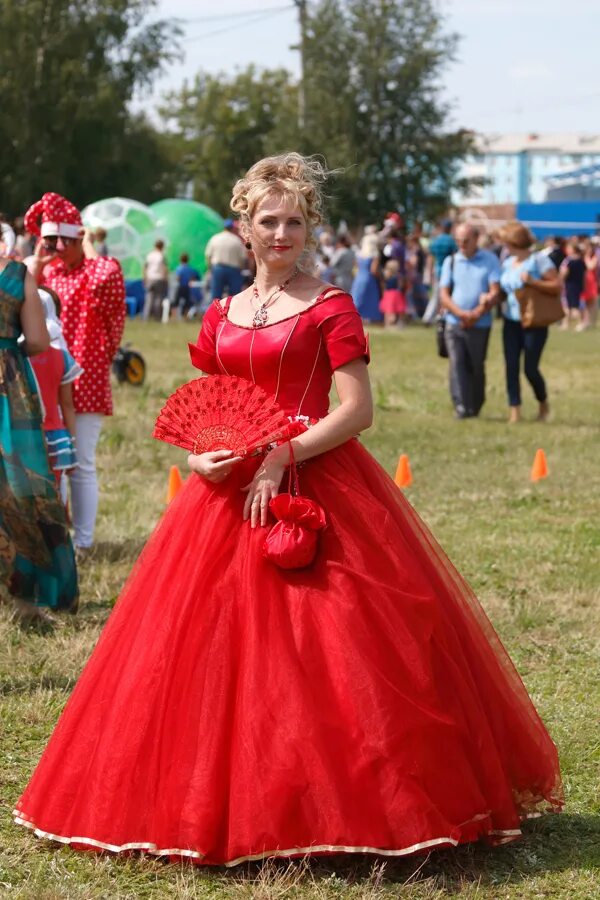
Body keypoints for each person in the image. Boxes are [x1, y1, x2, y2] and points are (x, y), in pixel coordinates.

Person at [14, 153, 562, 865]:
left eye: (294, 222)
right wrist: (195, 458)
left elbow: (357, 410)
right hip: (222, 501)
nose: (281, 234)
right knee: (203, 660)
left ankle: (345, 805)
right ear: (243, 227)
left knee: (337, 657)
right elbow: (205, 408)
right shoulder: (221, 313)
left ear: (310, 227)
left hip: (318, 484)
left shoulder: (329, 305)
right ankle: (214, 802)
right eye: (267, 221)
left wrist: (284, 453)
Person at [24, 192, 126, 555]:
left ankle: (82, 542)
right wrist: (38, 259)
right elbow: (21, 298)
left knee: (80, 464)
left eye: (65, 240)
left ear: (79, 238)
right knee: (55, 460)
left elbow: (107, 276)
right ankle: (60, 537)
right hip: (48, 382)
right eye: (51, 240)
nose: (58, 248)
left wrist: (83, 240)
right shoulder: (48, 271)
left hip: (87, 381)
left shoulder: (96, 271)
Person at [0, 255, 78, 622]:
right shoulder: (16, 275)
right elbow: (36, 340)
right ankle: (27, 600)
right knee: (20, 484)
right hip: (7, 385)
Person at [498, 220, 560, 424]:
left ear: (514, 242)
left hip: (534, 322)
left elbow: (557, 286)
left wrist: (533, 281)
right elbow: (503, 291)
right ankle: (514, 409)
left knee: (530, 368)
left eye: (506, 241)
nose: (503, 245)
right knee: (511, 366)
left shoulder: (539, 261)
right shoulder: (507, 263)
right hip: (511, 322)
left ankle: (543, 402)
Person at [439, 224, 501, 419]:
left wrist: (476, 313)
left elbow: (495, 291)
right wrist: (460, 314)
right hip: (453, 322)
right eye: (458, 241)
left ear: (476, 238)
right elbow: (444, 294)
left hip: (480, 324)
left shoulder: (489, 260)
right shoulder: (451, 261)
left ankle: (475, 404)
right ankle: (461, 406)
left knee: (476, 365)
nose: (462, 245)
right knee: (456, 364)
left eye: (466, 240)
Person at [29, 289, 82, 494]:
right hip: (56, 438)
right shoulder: (62, 358)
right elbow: (67, 405)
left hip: (23, 435)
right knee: (56, 499)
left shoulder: (14, 358)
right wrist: (73, 445)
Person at [423, 220, 457, 324]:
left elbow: (430, 257)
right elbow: (456, 256)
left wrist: (429, 271)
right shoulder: (451, 241)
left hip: (437, 270)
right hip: (449, 271)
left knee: (437, 294)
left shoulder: (435, 241)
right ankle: (430, 317)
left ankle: (436, 316)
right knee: (446, 295)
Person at [204, 218, 247, 301]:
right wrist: (241, 269)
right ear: (232, 228)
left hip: (218, 269)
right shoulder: (236, 240)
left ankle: (216, 313)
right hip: (234, 270)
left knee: (216, 296)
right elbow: (243, 258)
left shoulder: (215, 238)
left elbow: (208, 255)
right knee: (234, 297)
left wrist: (210, 269)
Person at [351, 228, 382, 322]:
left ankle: (354, 317)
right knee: (369, 299)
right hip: (369, 278)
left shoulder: (360, 254)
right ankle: (369, 318)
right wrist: (381, 276)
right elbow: (374, 270)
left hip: (359, 278)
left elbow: (356, 266)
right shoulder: (375, 254)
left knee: (357, 298)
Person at [559, 240, 586, 331]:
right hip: (578, 285)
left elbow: (564, 272)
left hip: (569, 285)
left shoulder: (569, 260)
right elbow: (584, 274)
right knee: (571, 305)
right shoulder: (581, 260)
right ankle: (566, 323)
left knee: (571, 306)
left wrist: (560, 280)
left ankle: (580, 323)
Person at [143, 239, 168, 321]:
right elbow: (164, 268)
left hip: (150, 278)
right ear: (162, 247)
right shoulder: (162, 256)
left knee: (149, 298)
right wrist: (166, 278)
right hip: (159, 278)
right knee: (158, 298)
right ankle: (157, 317)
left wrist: (145, 278)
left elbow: (145, 267)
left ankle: (146, 316)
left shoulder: (149, 255)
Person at [379, 258, 406, 327]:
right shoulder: (398, 276)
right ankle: (399, 322)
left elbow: (383, 285)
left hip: (388, 294)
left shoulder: (387, 276)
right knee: (398, 309)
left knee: (388, 310)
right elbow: (400, 285)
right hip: (395, 294)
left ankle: (387, 323)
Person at [174, 253, 201, 318]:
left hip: (181, 287)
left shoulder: (179, 268)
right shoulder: (190, 269)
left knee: (176, 301)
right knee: (187, 303)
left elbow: (178, 278)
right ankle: (185, 316)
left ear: (180, 260)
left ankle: (173, 316)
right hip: (188, 288)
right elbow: (195, 277)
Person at [581, 237, 598, 329]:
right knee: (586, 303)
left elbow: (590, 266)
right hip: (584, 281)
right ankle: (586, 322)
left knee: (592, 302)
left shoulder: (594, 256)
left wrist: (586, 257)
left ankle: (592, 322)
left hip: (591, 281)